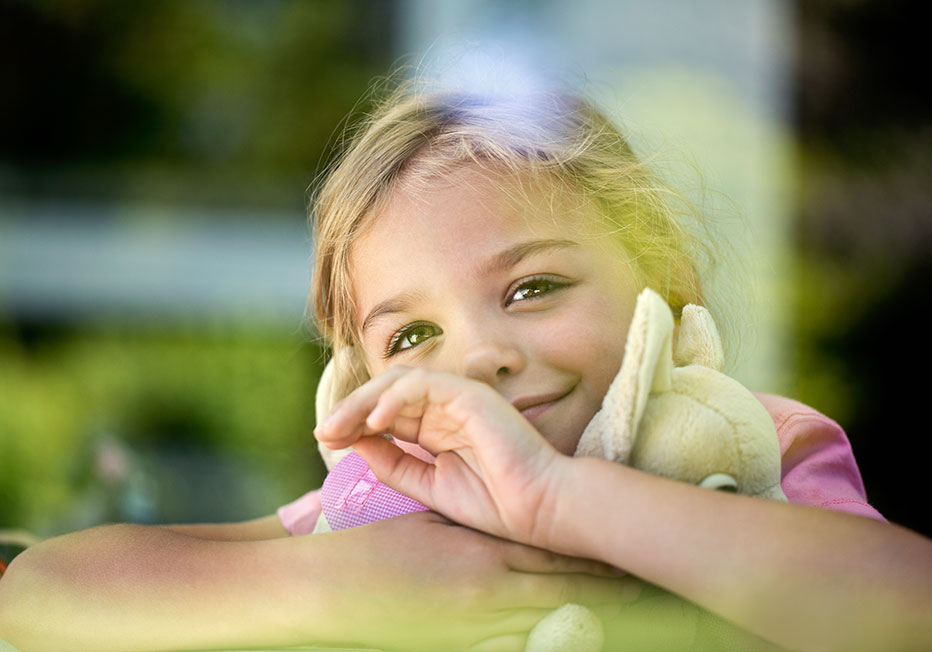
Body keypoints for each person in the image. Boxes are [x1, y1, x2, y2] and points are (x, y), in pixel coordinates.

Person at [1, 76, 930, 652]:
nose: (479, 357)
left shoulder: (743, 447)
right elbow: (38, 600)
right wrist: (336, 583)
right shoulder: (395, 511)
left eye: (532, 288)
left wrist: (563, 503)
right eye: (411, 338)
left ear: (663, 283)